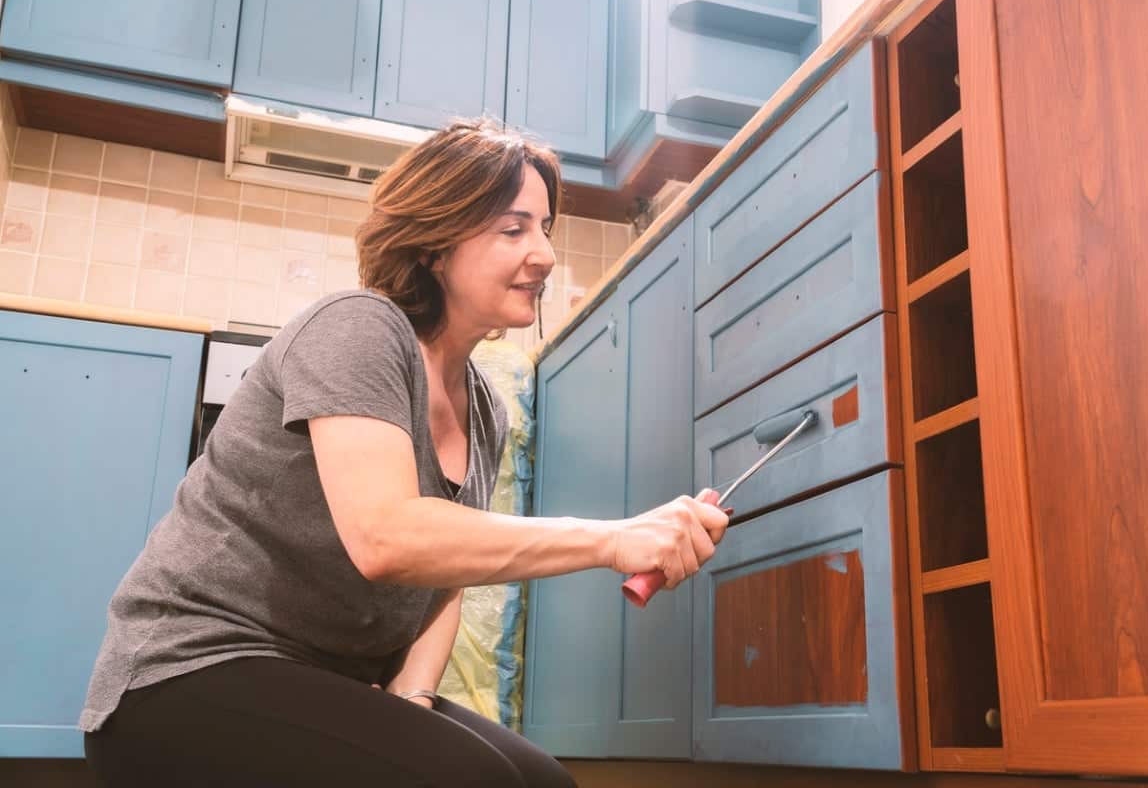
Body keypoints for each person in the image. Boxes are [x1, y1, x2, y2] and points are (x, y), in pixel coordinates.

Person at [80, 118, 729, 788]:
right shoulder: (358, 328)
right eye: (513, 229)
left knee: (545, 784)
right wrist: (614, 539)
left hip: (329, 680)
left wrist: (412, 699)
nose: (544, 255)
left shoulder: (484, 408)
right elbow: (387, 538)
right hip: (184, 674)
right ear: (434, 244)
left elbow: (443, 580)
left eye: (545, 229)